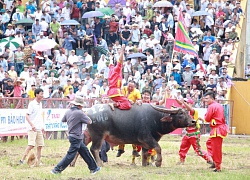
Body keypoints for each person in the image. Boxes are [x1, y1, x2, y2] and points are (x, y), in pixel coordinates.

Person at [51, 96, 101, 174]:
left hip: (71, 136)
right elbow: (89, 121)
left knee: (85, 152)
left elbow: (63, 120)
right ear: (80, 105)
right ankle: (57, 169)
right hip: (77, 137)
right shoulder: (80, 113)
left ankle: (94, 168)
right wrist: (84, 115)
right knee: (70, 155)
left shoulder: (68, 111)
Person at [175, 98, 213, 165]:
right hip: (188, 133)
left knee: (198, 150)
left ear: (191, 104)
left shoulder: (194, 111)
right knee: (183, 147)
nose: (185, 104)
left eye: (187, 102)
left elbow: (189, 108)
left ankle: (209, 159)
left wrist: (183, 102)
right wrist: (176, 99)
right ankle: (181, 160)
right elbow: (181, 104)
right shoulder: (186, 111)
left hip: (194, 134)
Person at [198, 91, 228, 172]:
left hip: (217, 129)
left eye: (207, 99)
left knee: (216, 149)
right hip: (218, 128)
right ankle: (215, 162)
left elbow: (207, 118)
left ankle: (218, 167)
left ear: (211, 98)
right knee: (209, 144)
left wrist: (205, 117)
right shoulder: (218, 105)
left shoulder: (211, 106)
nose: (205, 100)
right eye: (205, 99)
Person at [19, 88, 44, 165]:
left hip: (39, 128)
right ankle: (22, 160)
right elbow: (27, 115)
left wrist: (42, 126)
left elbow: (40, 116)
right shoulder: (32, 104)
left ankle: (38, 161)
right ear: (36, 94)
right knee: (31, 145)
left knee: (40, 145)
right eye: (41, 94)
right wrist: (32, 125)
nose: (42, 95)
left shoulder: (40, 104)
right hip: (32, 128)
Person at [107, 44, 131, 110]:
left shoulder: (111, 69)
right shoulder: (117, 69)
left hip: (111, 92)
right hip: (116, 92)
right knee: (128, 105)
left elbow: (110, 63)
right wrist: (122, 50)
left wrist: (111, 57)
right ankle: (115, 104)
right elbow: (120, 60)